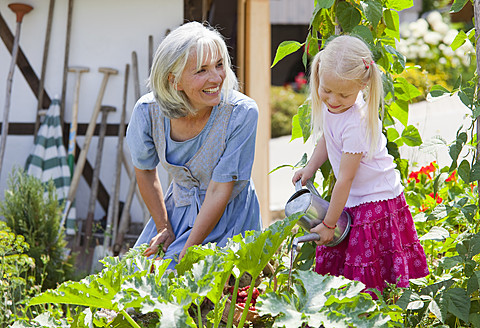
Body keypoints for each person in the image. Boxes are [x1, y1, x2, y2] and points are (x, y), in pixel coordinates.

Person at [292, 35, 429, 296]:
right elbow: (327, 138)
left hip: (375, 201)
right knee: (350, 263)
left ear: (363, 85)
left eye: (343, 94)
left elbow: (344, 179)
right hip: (357, 198)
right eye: (326, 90)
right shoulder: (336, 109)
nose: (332, 99)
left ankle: (369, 315)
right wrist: (310, 167)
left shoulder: (356, 122)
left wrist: (330, 225)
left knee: (365, 274)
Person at [126, 21, 262, 270]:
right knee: (133, 277)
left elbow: (219, 191)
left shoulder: (241, 113)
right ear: (174, 81)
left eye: (219, 65)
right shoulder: (147, 112)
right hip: (177, 211)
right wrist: (163, 227)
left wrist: (186, 254)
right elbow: (144, 171)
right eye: (201, 70)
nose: (217, 78)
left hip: (229, 215)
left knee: (186, 285)